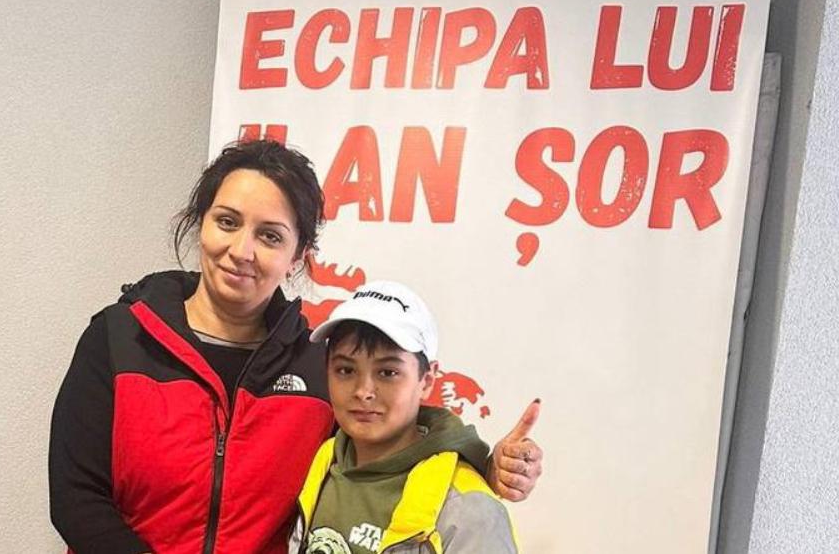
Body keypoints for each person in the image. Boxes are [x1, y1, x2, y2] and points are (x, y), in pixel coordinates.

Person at [48, 139, 542, 554]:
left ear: (298, 256)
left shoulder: (317, 365)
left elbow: (392, 438)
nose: (241, 251)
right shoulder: (119, 337)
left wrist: (484, 463)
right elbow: (76, 498)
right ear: (201, 224)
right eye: (227, 222)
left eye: (269, 236)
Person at [290, 280, 518, 554]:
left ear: (427, 380)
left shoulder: (468, 508)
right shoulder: (323, 462)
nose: (363, 391)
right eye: (346, 371)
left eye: (388, 373)